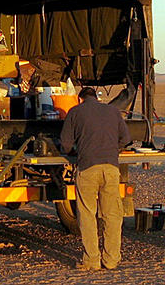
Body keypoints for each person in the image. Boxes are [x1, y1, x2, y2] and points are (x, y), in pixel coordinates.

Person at [60, 87, 131, 271]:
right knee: (112, 215)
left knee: (87, 214)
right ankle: (111, 259)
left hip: (87, 168)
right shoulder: (113, 111)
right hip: (111, 168)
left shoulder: (75, 112)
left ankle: (91, 261)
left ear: (79, 99)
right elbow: (126, 138)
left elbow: (65, 144)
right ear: (97, 97)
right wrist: (112, 149)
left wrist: (78, 151)